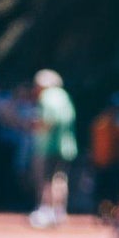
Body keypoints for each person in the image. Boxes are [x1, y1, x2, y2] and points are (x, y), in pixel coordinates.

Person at [29, 68, 78, 226]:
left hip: (49, 146)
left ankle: (46, 210)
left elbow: (47, 121)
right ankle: (59, 212)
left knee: (46, 180)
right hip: (67, 146)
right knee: (60, 179)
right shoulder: (64, 96)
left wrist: (33, 126)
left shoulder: (47, 97)